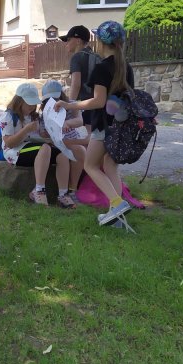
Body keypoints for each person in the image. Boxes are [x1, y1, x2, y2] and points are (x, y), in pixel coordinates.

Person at [54, 21, 135, 225]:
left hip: (104, 126)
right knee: (110, 166)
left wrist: (70, 104)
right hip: (121, 125)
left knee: (90, 165)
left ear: (102, 41)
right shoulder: (126, 67)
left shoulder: (102, 68)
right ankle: (117, 216)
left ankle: (117, 203)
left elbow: (98, 101)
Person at [0, 82, 72, 207]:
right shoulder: (8, 116)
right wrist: (26, 130)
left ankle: (63, 194)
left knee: (62, 154)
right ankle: (39, 190)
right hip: (14, 152)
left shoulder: (34, 116)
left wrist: (49, 136)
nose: (32, 107)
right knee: (45, 148)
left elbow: (39, 136)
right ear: (19, 101)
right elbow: (9, 143)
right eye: (29, 104)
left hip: (34, 148)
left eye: (34, 104)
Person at [40, 79, 86, 207]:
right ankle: (63, 194)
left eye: (56, 98)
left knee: (80, 151)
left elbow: (80, 120)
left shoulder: (70, 104)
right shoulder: (44, 112)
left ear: (61, 95)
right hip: (57, 143)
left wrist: (67, 123)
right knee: (66, 154)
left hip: (71, 141)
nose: (53, 101)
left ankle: (72, 189)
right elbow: (43, 133)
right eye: (49, 99)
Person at [60, 25, 100, 137]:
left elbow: (76, 84)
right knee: (98, 136)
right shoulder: (96, 56)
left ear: (78, 41)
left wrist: (71, 106)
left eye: (68, 40)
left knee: (93, 138)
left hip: (88, 102)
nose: (66, 43)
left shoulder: (76, 57)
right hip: (100, 100)